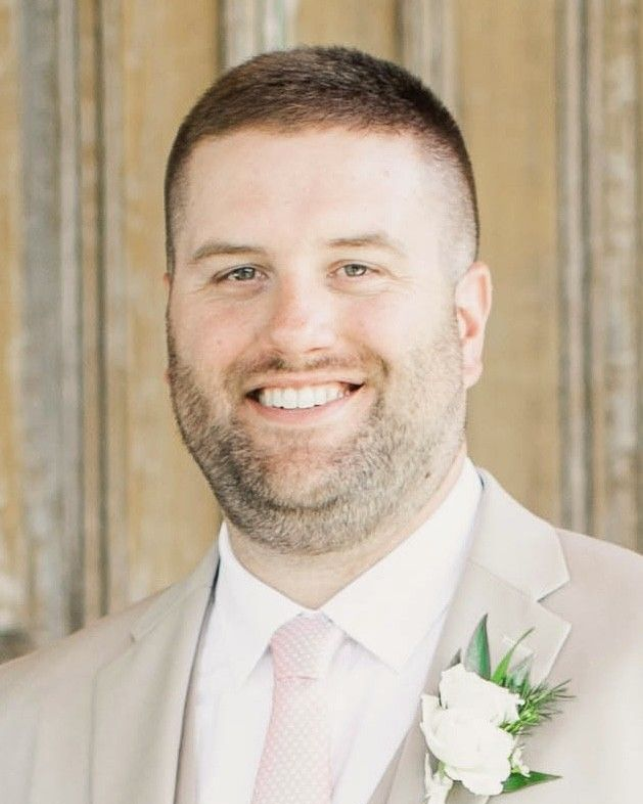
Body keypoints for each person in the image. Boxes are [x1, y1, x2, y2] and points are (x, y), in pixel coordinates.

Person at [0, 46, 641, 804]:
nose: (296, 332)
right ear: (170, 321)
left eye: (356, 267)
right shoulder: (24, 725)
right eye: (238, 273)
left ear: (465, 323)